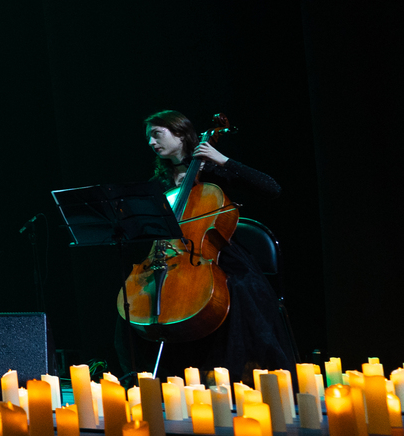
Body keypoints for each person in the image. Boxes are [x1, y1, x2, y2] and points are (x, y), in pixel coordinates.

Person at [116, 110, 297, 378]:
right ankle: (153, 378)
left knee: (235, 290)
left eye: (157, 134)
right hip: (167, 258)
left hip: (218, 256)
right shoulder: (159, 182)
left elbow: (272, 188)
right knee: (134, 303)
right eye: (148, 138)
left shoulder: (212, 170)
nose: (151, 142)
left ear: (180, 134)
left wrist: (223, 160)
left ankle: (228, 376)